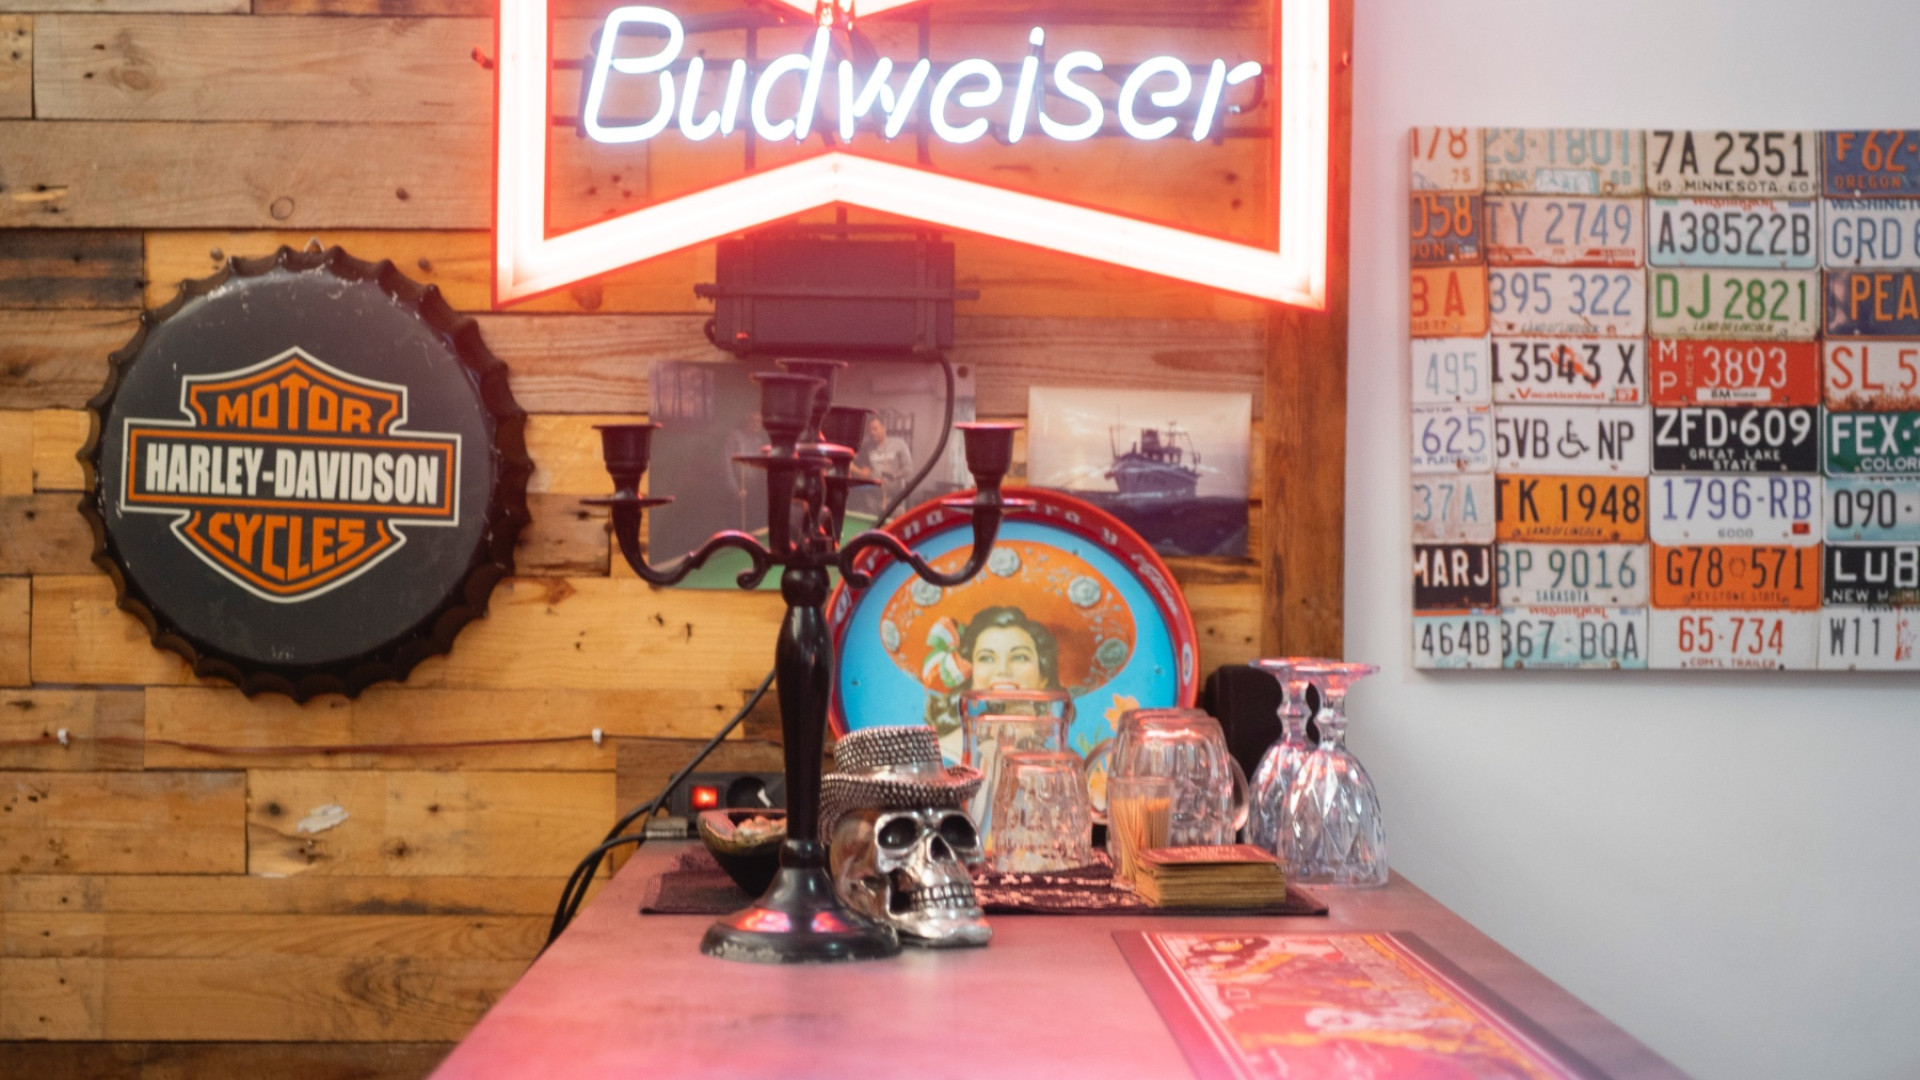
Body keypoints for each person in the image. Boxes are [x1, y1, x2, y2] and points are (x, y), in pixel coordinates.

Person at [853, 415, 914, 513]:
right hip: (873, 501)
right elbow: (855, 464)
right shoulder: (867, 448)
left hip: (895, 501)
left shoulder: (899, 444)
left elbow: (908, 469)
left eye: (875, 429)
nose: (872, 432)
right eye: (870, 430)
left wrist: (893, 476)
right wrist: (860, 471)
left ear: (883, 427)